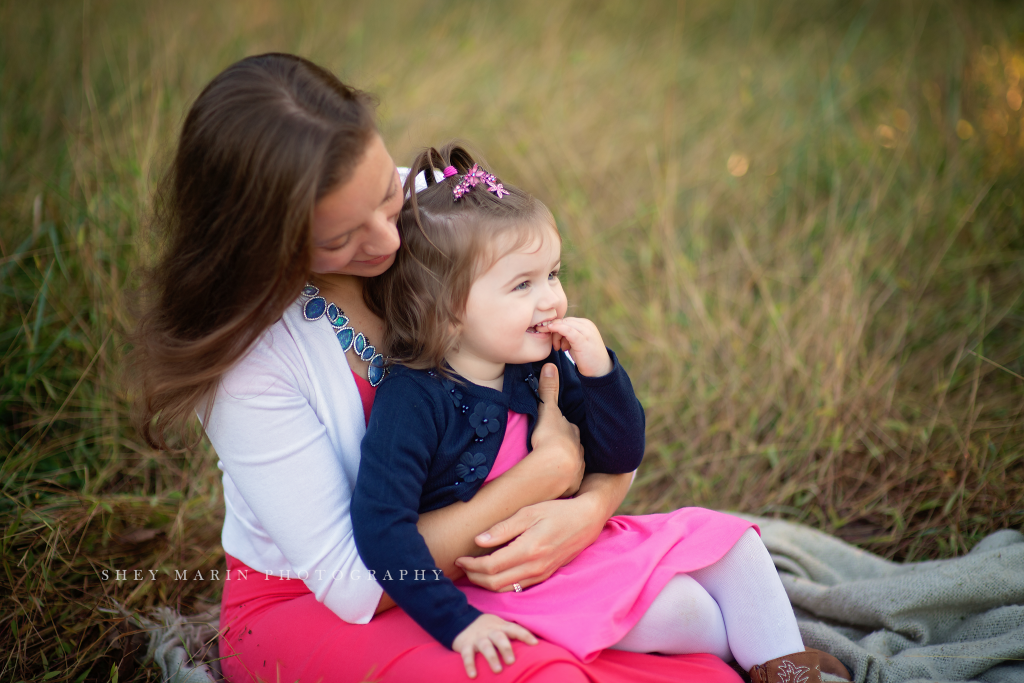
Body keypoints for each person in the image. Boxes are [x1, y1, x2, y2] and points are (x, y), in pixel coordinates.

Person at [127, 52, 748, 683]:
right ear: (264, 245)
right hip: (316, 602)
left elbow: (583, 400)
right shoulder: (250, 363)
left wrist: (588, 509)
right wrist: (546, 473)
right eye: (342, 239)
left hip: (486, 562)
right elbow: (353, 583)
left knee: (694, 634)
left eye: (385, 195)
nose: (391, 241)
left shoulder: (442, 215)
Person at [350, 143, 827, 682]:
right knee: (685, 608)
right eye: (523, 284)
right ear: (449, 310)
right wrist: (456, 623)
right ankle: (756, 656)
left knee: (735, 544)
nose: (552, 298)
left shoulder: (538, 363)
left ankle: (789, 671)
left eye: (553, 274)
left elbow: (620, 453)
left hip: (574, 547)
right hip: (508, 585)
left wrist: (600, 374)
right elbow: (381, 530)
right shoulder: (415, 397)